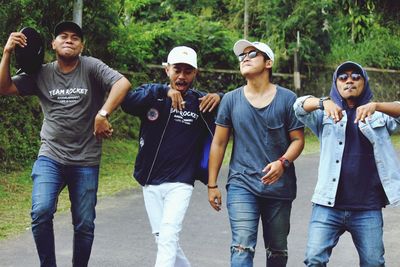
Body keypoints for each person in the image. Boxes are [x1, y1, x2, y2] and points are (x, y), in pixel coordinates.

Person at [0, 21, 131, 267]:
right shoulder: (41, 72)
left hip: (86, 161)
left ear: (82, 46)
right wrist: (7, 52)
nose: (69, 40)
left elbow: (122, 83)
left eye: (75, 37)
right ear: (53, 43)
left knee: (84, 223)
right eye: (63, 36)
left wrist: (102, 114)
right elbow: (4, 87)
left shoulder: (91, 67)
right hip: (51, 156)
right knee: (40, 213)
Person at [121, 46, 222, 267]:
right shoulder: (153, 95)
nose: (182, 76)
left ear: (196, 73)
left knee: (168, 236)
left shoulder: (203, 103)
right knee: (164, 240)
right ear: (167, 70)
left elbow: (237, 103)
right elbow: (127, 102)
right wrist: (161, 91)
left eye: (188, 71)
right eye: (177, 70)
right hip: (150, 180)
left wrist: (219, 96)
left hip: (181, 182)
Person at [208, 39, 305, 267]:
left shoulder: (287, 99)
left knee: (277, 251)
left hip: (279, 187)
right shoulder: (231, 100)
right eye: (242, 56)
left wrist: (282, 162)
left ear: (268, 62)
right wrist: (212, 184)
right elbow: (219, 143)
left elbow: (298, 141)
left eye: (252, 54)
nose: (245, 59)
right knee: (241, 247)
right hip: (242, 184)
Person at [293, 61, 400, 266]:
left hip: (367, 207)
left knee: (374, 262)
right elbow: (298, 107)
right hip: (328, 205)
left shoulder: (378, 116)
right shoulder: (325, 114)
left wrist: (376, 105)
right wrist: (323, 102)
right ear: (336, 83)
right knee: (314, 260)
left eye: (355, 76)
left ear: (364, 82)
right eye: (343, 77)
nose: (349, 80)